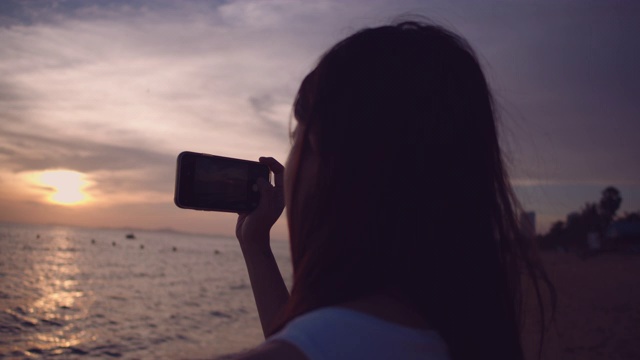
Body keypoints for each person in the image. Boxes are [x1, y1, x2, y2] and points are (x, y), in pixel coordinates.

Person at [232, 20, 553, 360]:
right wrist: (256, 247)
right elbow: (311, 341)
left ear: (324, 153)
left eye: (297, 135)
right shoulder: (460, 328)